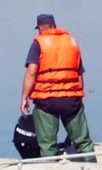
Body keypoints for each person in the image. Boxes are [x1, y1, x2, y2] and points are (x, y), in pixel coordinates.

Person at [20, 14, 95, 160]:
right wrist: (79, 97)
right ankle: (94, 169)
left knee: (48, 145)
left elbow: (31, 73)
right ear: (54, 25)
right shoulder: (72, 42)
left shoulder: (38, 43)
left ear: (41, 28)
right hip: (71, 100)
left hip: (47, 101)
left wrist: (24, 98)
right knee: (84, 142)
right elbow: (79, 74)